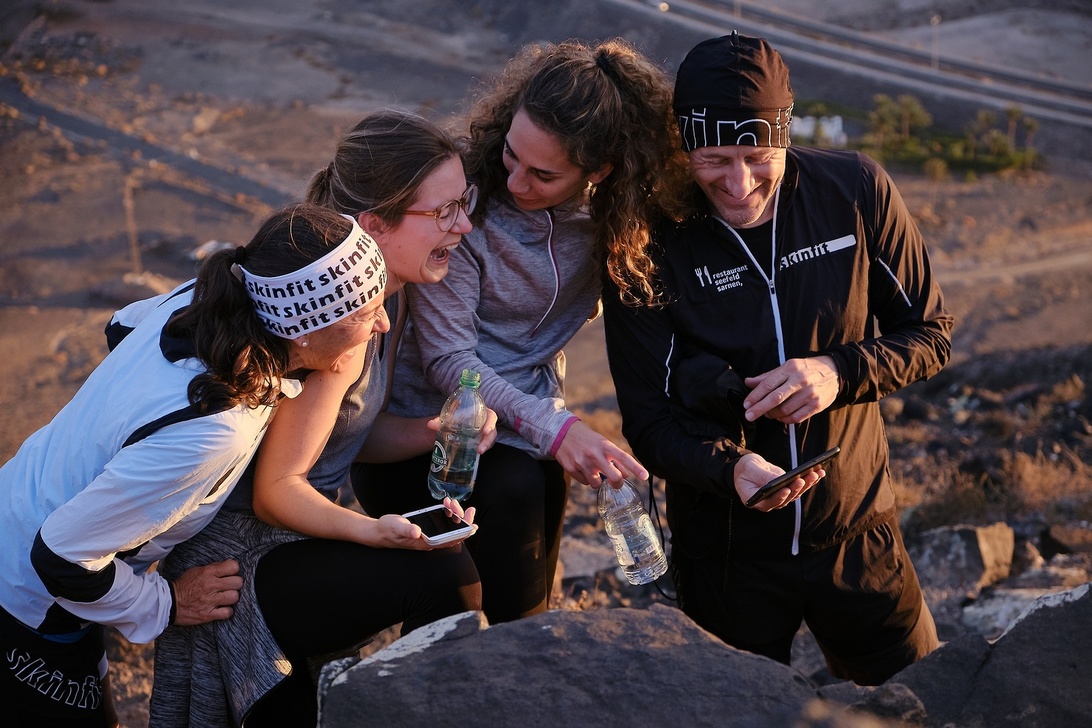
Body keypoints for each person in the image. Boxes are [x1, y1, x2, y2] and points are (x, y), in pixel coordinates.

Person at [601, 32, 954, 686]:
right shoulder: (644, 236)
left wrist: (837, 372)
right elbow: (649, 421)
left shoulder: (855, 190)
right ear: (682, 144)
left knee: (924, 704)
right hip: (725, 553)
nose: (738, 184)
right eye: (713, 159)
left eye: (758, 157)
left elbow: (930, 335)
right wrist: (730, 468)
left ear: (785, 137)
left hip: (858, 535)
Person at [149, 110, 487, 728]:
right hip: (242, 555)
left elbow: (337, 435)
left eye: (463, 202)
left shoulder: (388, 295)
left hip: (293, 534)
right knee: (445, 574)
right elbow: (278, 490)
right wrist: (373, 531)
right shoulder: (343, 324)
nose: (464, 225)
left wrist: (433, 432)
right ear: (374, 225)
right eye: (444, 212)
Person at [0, 203, 396, 726]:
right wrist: (165, 603)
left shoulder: (208, 301)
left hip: (17, 503)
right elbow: (60, 558)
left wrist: (121, 428)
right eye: (366, 313)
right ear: (304, 327)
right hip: (26, 598)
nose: (383, 323)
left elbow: (122, 324)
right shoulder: (216, 428)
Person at [354, 38, 693, 623]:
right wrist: (557, 429)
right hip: (427, 431)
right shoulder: (464, 209)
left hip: (526, 432)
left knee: (533, 550)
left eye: (543, 174)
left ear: (599, 172)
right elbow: (448, 359)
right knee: (505, 510)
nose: (516, 182)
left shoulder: (614, 220)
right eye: (511, 155)